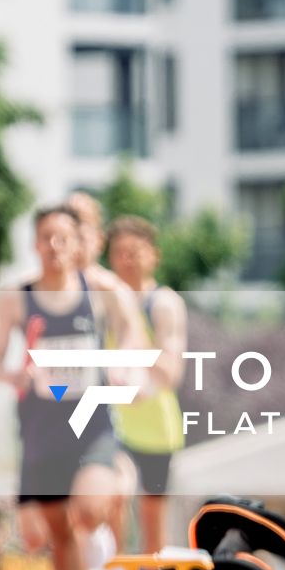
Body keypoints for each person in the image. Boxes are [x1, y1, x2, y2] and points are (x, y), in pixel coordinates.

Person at [0, 204, 149, 570]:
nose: (54, 246)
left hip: (90, 419)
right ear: (35, 244)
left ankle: (104, 563)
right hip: (42, 427)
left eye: (63, 238)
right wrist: (9, 381)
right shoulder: (16, 297)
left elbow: (132, 330)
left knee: (87, 511)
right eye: (46, 237)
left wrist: (125, 366)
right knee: (55, 533)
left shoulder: (102, 290)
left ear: (77, 244)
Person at [103, 216, 187, 550]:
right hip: (112, 425)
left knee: (153, 523)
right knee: (113, 495)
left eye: (135, 251)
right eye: (119, 252)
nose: (127, 259)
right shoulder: (104, 303)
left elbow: (171, 370)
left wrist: (139, 385)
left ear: (154, 255)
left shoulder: (163, 304)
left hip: (156, 428)